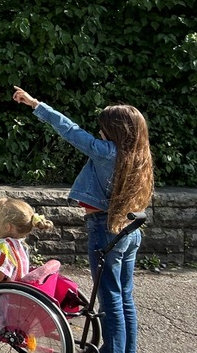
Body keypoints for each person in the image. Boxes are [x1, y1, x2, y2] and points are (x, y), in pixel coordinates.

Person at [12, 88, 154, 353]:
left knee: (110, 299)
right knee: (124, 299)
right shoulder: (139, 155)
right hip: (130, 230)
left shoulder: (107, 152)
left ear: (114, 130)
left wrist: (35, 104)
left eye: (103, 127)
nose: (99, 131)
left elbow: (69, 129)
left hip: (106, 229)